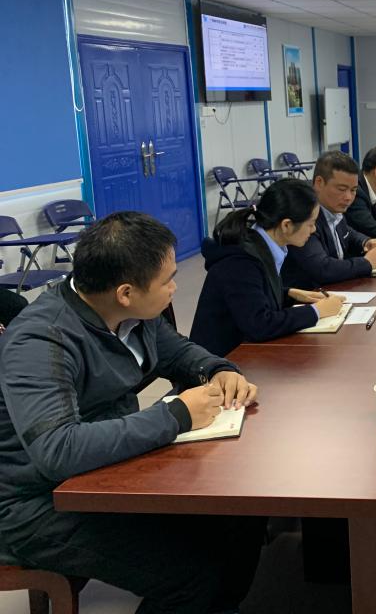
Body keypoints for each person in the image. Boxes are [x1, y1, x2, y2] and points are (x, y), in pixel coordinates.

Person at [0, 211, 265, 614]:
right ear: (125, 292)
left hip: (106, 473)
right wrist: (177, 414)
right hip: (36, 504)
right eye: (168, 280)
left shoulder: (132, 315)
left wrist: (218, 370)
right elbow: (57, 449)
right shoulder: (41, 340)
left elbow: (179, 353)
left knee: (240, 515)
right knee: (192, 575)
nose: (176, 287)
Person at [191, 178, 342, 357]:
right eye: (310, 223)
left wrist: (290, 293)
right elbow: (260, 324)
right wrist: (317, 311)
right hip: (221, 360)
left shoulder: (262, 244)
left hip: (244, 352)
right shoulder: (241, 261)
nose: (314, 230)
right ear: (286, 225)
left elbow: (254, 294)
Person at [281, 150, 376, 291]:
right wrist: (366, 262)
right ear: (319, 183)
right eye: (342, 189)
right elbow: (322, 268)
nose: (348, 197)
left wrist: (365, 241)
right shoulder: (303, 215)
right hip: (309, 295)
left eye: (353, 190)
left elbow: (347, 232)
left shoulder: (333, 208)